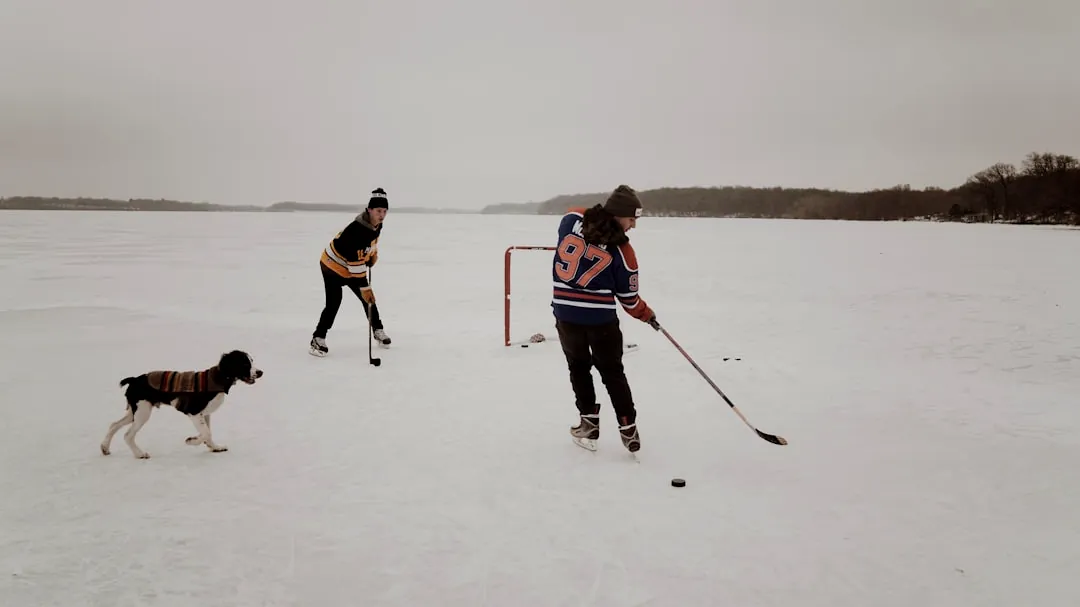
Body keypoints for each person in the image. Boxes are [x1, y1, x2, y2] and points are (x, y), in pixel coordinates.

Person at [551, 184, 658, 453]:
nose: (633, 226)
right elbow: (629, 300)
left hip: (566, 315)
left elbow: (575, 212)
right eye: (631, 219)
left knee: (578, 368)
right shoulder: (624, 251)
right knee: (612, 373)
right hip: (601, 322)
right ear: (619, 215)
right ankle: (628, 428)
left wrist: (600, 219)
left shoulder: (571, 221)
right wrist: (647, 315)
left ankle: (589, 423)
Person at [309, 188, 391, 357]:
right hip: (332, 266)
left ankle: (378, 330)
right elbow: (355, 266)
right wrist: (365, 288)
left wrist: (372, 256)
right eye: (378, 211)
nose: (381, 215)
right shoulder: (355, 231)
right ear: (369, 210)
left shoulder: (376, 225)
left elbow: (372, 243)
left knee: (368, 300)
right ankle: (318, 338)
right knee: (334, 302)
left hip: (351, 265)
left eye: (384, 211)